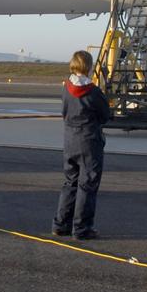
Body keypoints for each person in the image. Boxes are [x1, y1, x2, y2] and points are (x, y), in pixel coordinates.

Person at [53, 50, 111, 241]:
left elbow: (64, 112)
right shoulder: (93, 92)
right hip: (89, 141)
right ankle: (82, 228)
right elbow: (105, 116)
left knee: (70, 182)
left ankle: (61, 224)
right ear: (88, 66)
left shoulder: (66, 88)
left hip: (69, 140)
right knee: (87, 185)